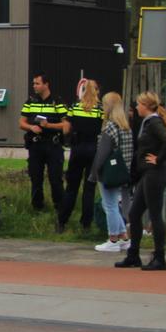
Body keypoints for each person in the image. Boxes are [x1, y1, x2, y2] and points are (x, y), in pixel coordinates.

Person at [116, 91, 166, 270]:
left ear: (147, 106)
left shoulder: (154, 122)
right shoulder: (147, 122)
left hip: (154, 173)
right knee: (134, 213)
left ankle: (160, 257)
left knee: (155, 215)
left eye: (139, 104)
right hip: (147, 174)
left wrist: (159, 158)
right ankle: (133, 254)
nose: (136, 107)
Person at [17, 74, 67, 225]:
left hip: (53, 145)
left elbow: (66, 125)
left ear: (46, 84)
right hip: (36, 145)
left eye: (37, 83)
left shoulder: (57, 102)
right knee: (35, 177)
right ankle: (37, 207)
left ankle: (60, 208)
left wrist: (49, 126)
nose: (34, 86)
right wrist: (31, 127)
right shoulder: (30, 102)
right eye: (34, 84)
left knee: (55, 178)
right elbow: (21, 122)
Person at [91, 91, 133, 254]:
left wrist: (94, 173)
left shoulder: (109, 128)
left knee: (109, 205)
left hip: (108, 172)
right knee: (113, 204)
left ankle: (113, 239)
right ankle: (124, 237)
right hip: (123, 171)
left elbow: (102, 154)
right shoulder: (126, 127)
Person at [60, 79, 104, 231]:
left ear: (83, 91)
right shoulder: (100, 109)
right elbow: (103, 129)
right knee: (89, 189)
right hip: (93, 149)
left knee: (71, 187)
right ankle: (86, 224)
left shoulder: (74, 107)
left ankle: (62, 221)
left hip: (77, 148)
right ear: (96, 91)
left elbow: (66, 130)